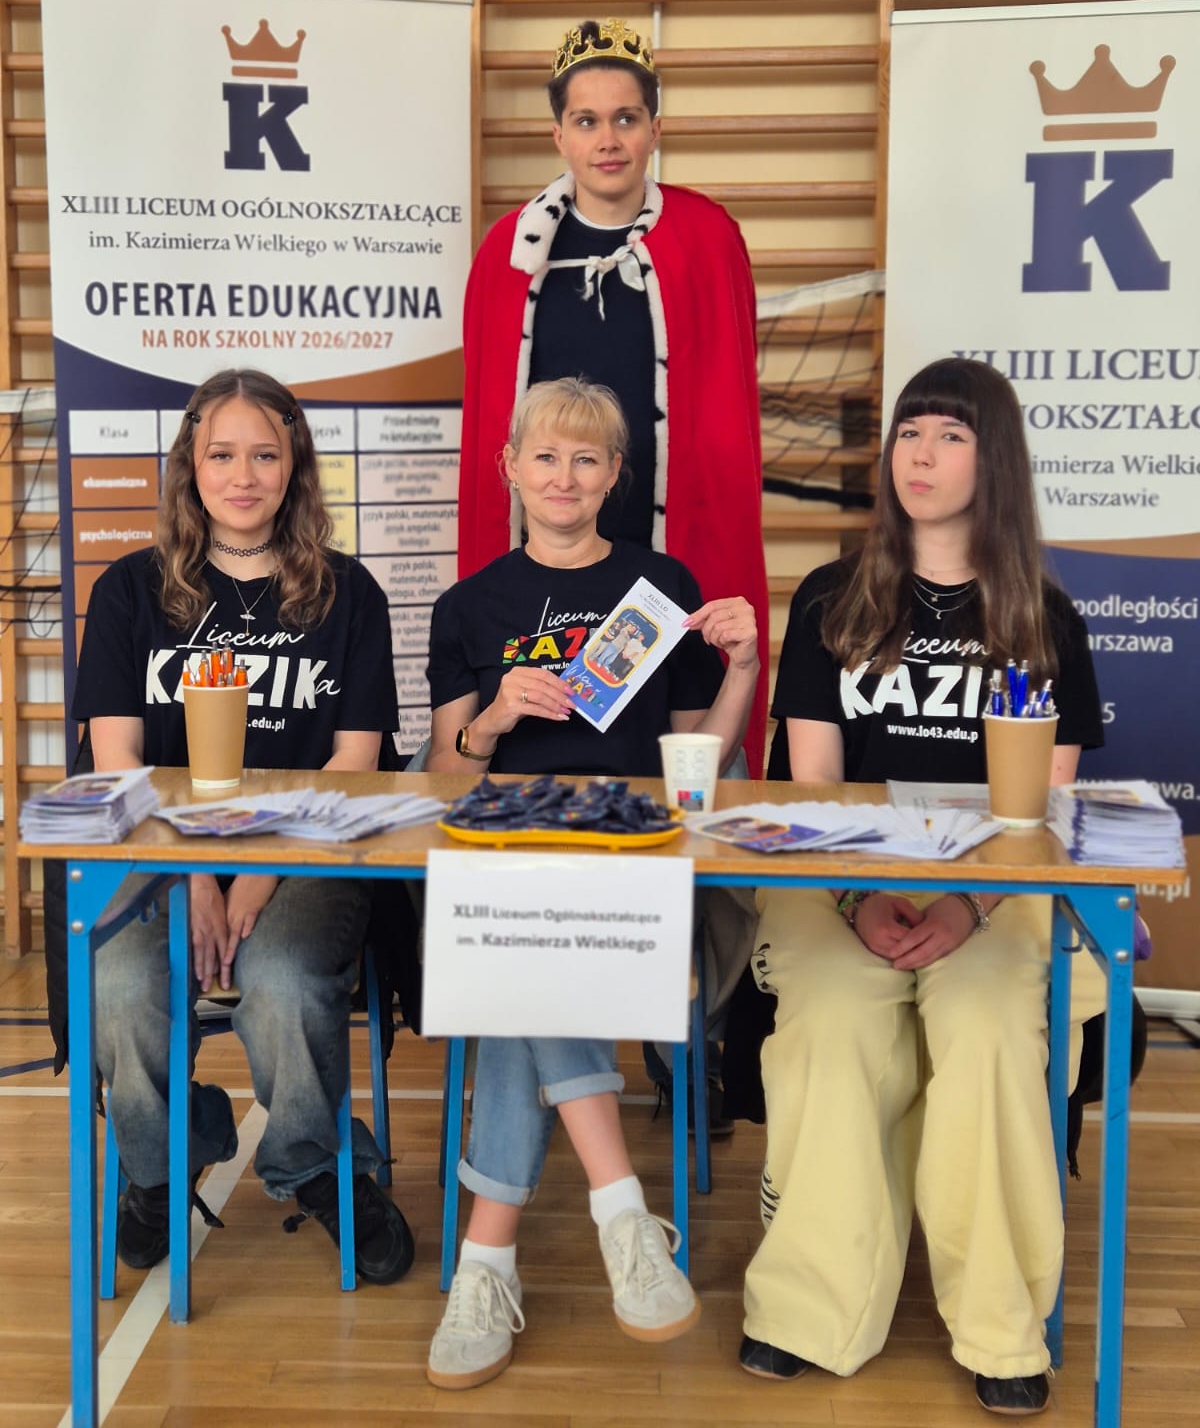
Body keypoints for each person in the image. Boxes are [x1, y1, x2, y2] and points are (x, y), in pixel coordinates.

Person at [740, 358, 1105, 1417]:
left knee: (988, 1027)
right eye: (909, 433)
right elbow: (813, 784)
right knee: (834, 1021)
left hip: (995, 889)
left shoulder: (1044, 615)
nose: (921, 455)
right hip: (842, 879)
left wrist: (966, 905)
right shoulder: (832, 597)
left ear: (995, 462)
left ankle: (1001, 1325)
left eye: (950, 435)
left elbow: (1045, 808)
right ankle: (807, 1309)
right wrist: (862, 897)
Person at [424, 377, 760, 1390]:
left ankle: (486, 1263)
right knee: (522, 939)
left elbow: (702, 757)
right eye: (545, 455)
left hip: (636, 863)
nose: (563, 477)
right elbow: (444, 776)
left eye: (586, 458)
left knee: (517, 970)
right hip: (508, 859)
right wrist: (493, 716)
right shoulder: (467, 606)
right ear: (509, 468)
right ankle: (623, 1216)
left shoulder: (661, 584)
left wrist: (745, 670)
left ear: (616, 474)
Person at [72, 368, 414, 1285]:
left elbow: (355, 760)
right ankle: (161, 1161)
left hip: (306, 854)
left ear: (294, 463)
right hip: (162, 854)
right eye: (222, 454)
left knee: (284, 974)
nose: (243, 476)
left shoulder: (350, 592)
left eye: (265, 454)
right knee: (120, 983)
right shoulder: (130, 591)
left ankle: (312, 1164)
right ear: (190, 463)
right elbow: (118, 762)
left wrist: (256, 873)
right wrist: (195, 875)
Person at [457, 15, 769, 772]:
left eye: (626, 119)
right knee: (546, 719)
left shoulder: (707, 237)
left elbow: (728, 414)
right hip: (553, 522)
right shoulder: (509, 253)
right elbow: (489, 424)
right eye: (587, 121)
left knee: (678, 725)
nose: (608, 140)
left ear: (655, 129)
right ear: (558, 135)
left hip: (673, 529)